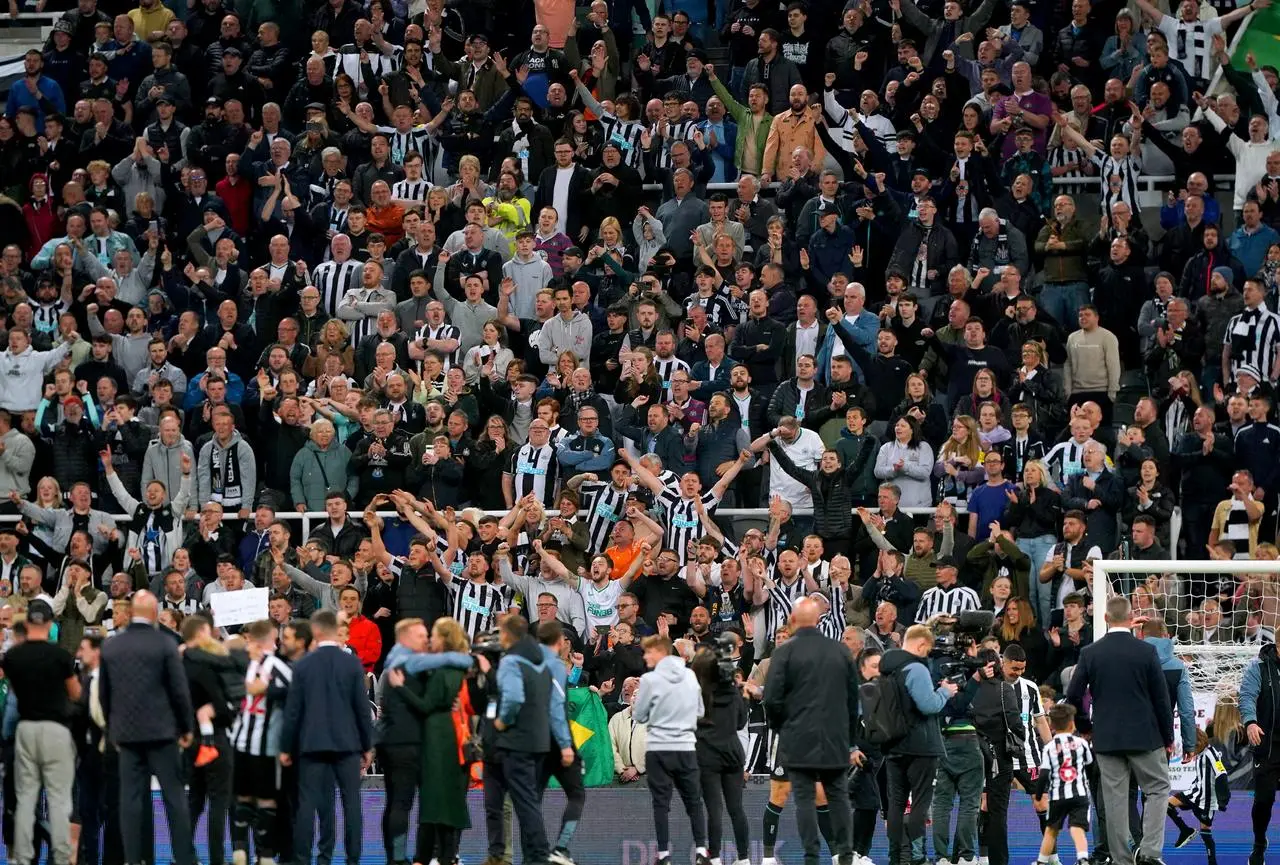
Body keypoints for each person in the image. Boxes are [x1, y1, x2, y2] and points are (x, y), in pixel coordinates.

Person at [1065, 596, 1175, 865]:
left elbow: (1073, 696)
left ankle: (1121, 859)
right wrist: (1168, 737)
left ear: (1104, 619)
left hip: (1107, 738)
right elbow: (1161, 699)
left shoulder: (1090, 653)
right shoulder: (1146, 651)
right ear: (1131, 618)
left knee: (1114, 799)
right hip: (1145, 736)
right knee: (1158, 789)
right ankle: (1149, 853)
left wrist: (1085, 728)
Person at [98, 590, 196, 865]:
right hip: (163, 733)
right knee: (174, 799)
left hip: (126, 735)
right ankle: (185, 858)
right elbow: (179, 690)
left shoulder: (112, 646)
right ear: (154, 614)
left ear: (131, 613)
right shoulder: (165, 644)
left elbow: (104, 695)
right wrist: (186, 728)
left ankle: (134, 859)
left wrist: (112, 729)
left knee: (131, 800)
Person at [763, 598, 858, 865]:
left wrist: (782, 727)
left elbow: (771, 699)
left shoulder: (784, 653)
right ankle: (845, 857)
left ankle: (812, 858)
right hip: (835, 738)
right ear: (818, 620)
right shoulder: (840, 651)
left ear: (793, 621)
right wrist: (849, 739)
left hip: (798, 738)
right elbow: (853, 700)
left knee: (804, 800)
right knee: (838, 797)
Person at [279, 609, 375, 865]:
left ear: (317, 631)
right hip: (347, 744)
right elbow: (362, 708)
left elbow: (293, 712)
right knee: (351, 803)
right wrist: (367, 745)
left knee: (307, 804)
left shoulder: (304, 664)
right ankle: (352, 859)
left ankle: (302, 860)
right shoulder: (352, 663)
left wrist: (286, 747)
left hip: (311, 745)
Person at [2, 598, 81, 865]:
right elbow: (75, 694)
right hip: (56, 730)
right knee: (59, 798)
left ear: (26, 623)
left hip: (26, 729)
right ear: (50, 624)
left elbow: (13, 690)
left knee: (26, 798)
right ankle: (60, 857)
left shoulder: (13, 657)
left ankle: (23, 857)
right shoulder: (61, 656)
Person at [879, 624, 959, 865]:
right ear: (921, 644)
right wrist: (945, 692)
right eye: (927, 650)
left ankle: (896, 857)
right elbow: (929, 705)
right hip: (921, 747)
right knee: (920, 804)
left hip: (893, 746)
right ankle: (917, 858)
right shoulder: (915, 667)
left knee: (895, 804)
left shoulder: (886, 668)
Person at [634, 633, 711, 865]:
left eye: (648, 651)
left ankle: (664, 856)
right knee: (694, 802)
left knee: (661, 803)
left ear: (660, 652)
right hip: (686, 748)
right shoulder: (690, 676)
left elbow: (638, 715)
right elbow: (699, 712)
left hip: (659, 749)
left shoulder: (650, 680)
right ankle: (701, 851)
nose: (646, 656)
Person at [487, 614, 554, 865]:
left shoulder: (511, 661)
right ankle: (533, 856)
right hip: (539, 740)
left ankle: (538, 856)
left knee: (525, 804)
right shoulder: (542, 660)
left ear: (506, 635)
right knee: (530, 802)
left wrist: (502, 721)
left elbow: (513, 698)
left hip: (518, 742)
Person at [690, 644, 751, 865]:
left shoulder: (693, 691)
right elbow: (740, 723)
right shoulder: (732, 690)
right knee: (736, 809)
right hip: (733, 754)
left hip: (707, 755)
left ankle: (714, 858)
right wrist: (743, 697)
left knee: (714, 810)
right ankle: (744, 859)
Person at [1035, 704, 1094, 865]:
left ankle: (1041, 861)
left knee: (1051, 830)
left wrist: (1039, 795)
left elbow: (1044, 775)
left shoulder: (1049, 747)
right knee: (1077, 828)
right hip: (1080, 795)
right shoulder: (1081, 743)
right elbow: (1091, 766)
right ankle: (1082, 858)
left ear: (1051, 725)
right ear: (1072, 723)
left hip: (1057, 796)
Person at [1240, 640, 1280, 865]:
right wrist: (1250, 722)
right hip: (1268, 745)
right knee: (1264, 800)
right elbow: (1246, 696)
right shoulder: (1258, 667)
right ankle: (1258, 844)